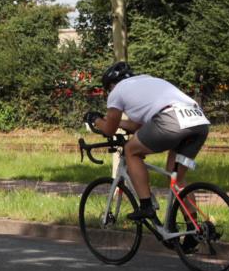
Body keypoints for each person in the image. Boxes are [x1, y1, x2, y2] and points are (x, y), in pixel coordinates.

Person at [85, 62, 210, 229]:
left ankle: (146, 206)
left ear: (110, 86)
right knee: (177, 179)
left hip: (171, 120)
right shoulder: (146, 81)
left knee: (131, 150)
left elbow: (109, 129)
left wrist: (95, 120)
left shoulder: (117, 91)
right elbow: (137, 126)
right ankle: (194, 229)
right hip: (198, 121)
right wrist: (118, 123)